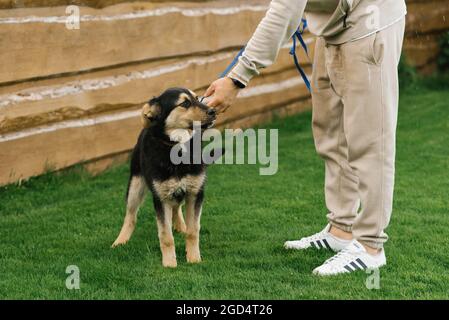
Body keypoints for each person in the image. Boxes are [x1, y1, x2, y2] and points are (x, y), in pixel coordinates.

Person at [204, 0, 407, 276]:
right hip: (335, 25)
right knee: (330, 130)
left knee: (370, 140)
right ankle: (341, 229)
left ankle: (370, 246)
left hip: (370, 21)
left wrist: (238, 77)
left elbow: (284, 11)